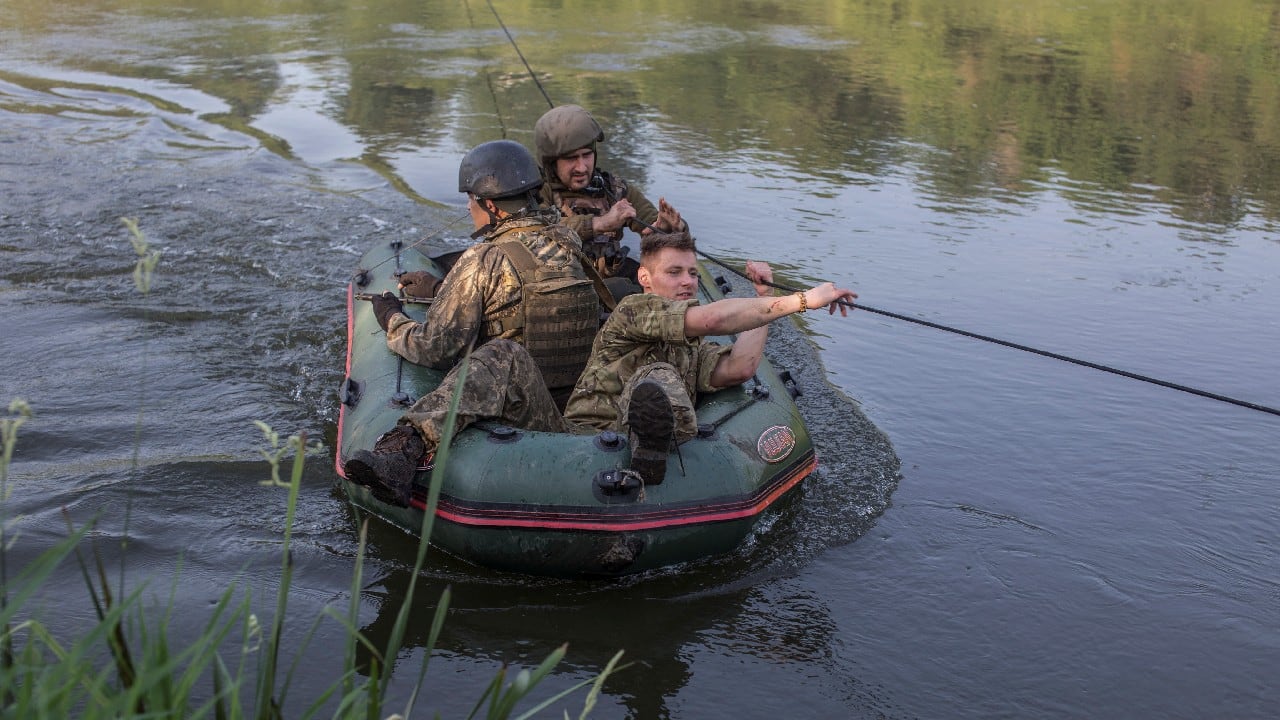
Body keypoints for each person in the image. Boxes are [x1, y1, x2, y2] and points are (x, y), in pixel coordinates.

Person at [343, 139, 602, 505]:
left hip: (524, 411)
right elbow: (520, 296)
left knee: (501, 355)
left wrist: (393, 321)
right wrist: (441, 288)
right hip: (578, 406)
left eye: (471, 200)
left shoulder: (484, 259)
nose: (468, 208)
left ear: (491, 205)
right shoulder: (568, 241)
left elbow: (434, 347)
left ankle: (400, 454)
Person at [563, 231, 859, 485]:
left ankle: (654, 461)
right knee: (659, 376)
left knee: (664, 375)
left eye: (693, 273)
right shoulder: (632, 310)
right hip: (584, 443)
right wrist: (803, 301)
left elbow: (739, 367)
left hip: (631, 449)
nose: (688, 282)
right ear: (645, 277)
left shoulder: (689, 346)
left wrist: (763, 293)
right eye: (674, 272)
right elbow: (712, 320)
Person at [533, 104, 687, 293]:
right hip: (560, 289)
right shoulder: (537, 192)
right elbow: (538, 233)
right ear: (551, 162)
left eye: (587, 155)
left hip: (608, 283)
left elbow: (649, 219)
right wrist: (601, 223)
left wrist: (666, 229)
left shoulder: (613, 188)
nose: (581, 167)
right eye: (571, 158)